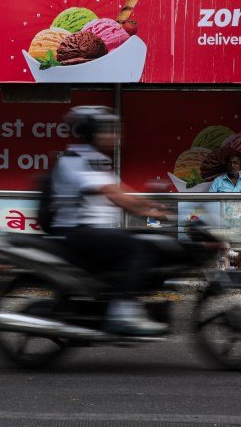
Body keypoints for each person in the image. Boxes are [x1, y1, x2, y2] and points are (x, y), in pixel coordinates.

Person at [50, 105, 167, 336]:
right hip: (78, 232)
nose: (113, 135)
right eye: (105, 129)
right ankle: (122, 312)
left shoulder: (92, 158)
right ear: (91, 132)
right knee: (137, 249)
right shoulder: (80, 158)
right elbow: (113, 194)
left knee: (139, 241)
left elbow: (120, 190)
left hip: (88, 231)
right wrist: (148, 212)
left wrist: (152, 206)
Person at [209, 148, 241, 268]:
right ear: (226, 165)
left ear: (240, 165)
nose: (232, 165)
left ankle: (238, 258)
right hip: (222, 219)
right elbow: (210, 202)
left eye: (235, 163)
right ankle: (233, 261)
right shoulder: (218, 182)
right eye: (230, 162)